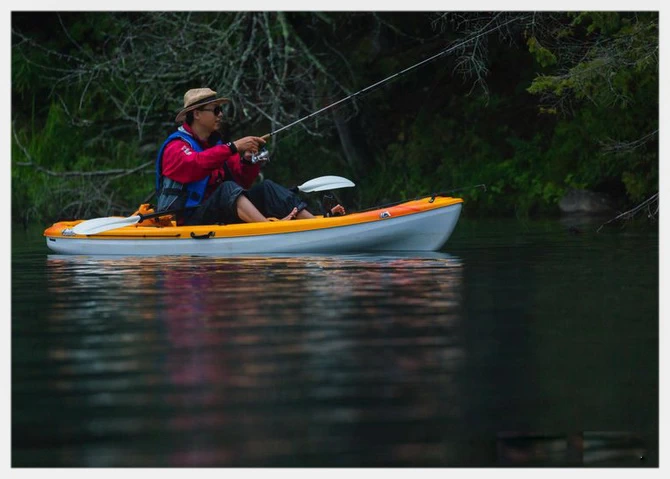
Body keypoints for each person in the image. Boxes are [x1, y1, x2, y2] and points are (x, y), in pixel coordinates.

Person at [155, 87, 345, 225]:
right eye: (215, 110)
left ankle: (314, 224)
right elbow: (195, 165)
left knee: (267, 188)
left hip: (217, 214)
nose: (220, 115)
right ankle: (267, 228)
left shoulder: (215, 145)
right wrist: (233, 147)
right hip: (187, 219)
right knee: (227, 188)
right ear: (196, 114)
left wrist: (247, 161)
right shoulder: (176, 147)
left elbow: (242, 184)